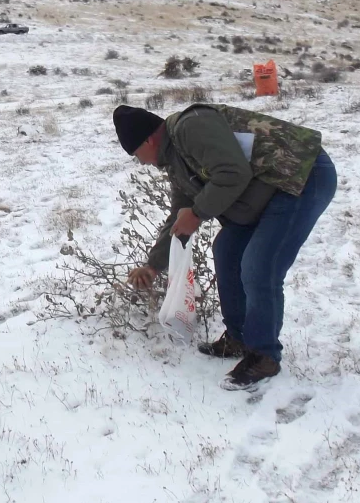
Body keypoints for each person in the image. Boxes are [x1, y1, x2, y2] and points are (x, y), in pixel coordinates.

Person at [114, 103, 336, 390]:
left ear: (148, 140)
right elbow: (179, 214)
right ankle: (239, 336)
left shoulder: (190, 127)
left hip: (300, 177)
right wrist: (153, 264)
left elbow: (233, 173)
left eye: (137, 155)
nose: (142, 162)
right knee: (227, 249)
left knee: (259, 265)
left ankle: (263, 355)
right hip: (266, 191)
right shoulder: (175, 158)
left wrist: (197, 214)